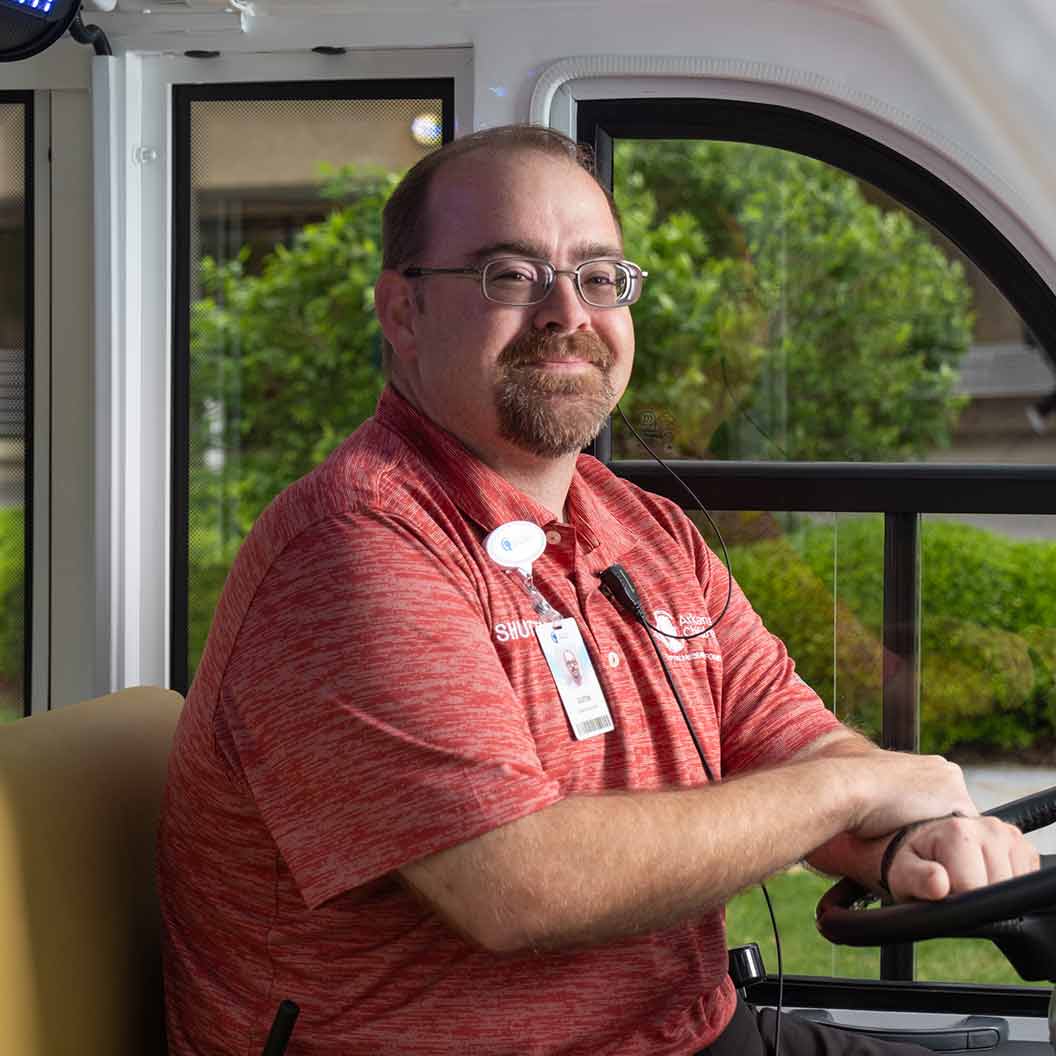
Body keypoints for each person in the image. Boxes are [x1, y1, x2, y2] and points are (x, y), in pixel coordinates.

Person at [158, 125, 1040, 1056]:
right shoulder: (355, 547)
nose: (566, 312)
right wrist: (851, 790)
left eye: (599, 275)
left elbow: (786, 735)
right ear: (402, 311)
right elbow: (518, 885)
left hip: (691, 1033)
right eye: (510, 274)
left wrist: (900, 843)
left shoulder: (641, 526)